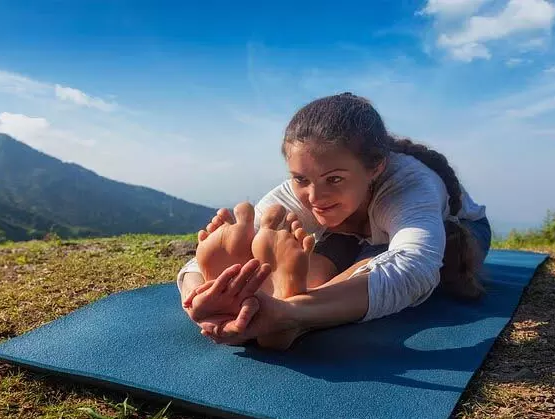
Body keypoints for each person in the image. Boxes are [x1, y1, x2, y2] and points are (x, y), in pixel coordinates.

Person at [177, 92, 491, 350]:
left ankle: (291, 314)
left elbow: (414, 265)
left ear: (375, 168)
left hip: (454, 232)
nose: (315, 196)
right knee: (312, 250)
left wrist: (288, 313)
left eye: (334, 179)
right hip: (348, 230)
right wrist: (200, 299)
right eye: (301, 178)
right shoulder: (293, 198)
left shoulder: (410, 185)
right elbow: (204, 258)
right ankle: (285, 299)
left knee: (375, 258)